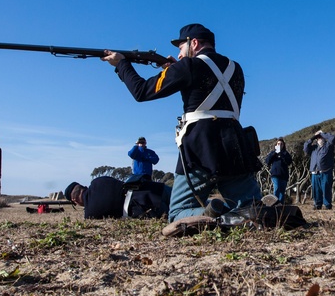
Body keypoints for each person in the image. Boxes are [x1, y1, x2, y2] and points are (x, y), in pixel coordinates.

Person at [102, 23, 263, 223]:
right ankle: (250, 212)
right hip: (235, 146)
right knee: (252, 205)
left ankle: (213, 214)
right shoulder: (235, 68)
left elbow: (141, 91)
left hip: (200, 148)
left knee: (177, 214)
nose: (178, 55)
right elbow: (206, 86)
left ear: (193, 43)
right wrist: (173, 70)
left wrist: (121, 65)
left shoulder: (187, 67)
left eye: (180, 48)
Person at [65, 177, 170, 219]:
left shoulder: (90, 214)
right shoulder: (98, 180)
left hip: (149, 207)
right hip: (154, 189)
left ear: (74, 200)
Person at [304, 130, 335, 210]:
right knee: (316, 190)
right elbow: (305, 147)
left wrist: (322, 134)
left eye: (321, 137)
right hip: (315, 172)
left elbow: (332, 138)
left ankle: (327, 205)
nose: (320, 138)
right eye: (318, 137)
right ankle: (317, 204)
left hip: (325, 172)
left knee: (326, 189)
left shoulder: (328, 146)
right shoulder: (313, 148)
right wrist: (313, 138)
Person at [264, 138, 293, 203]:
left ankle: (280, 206)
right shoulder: (272, 153)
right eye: (278, 144)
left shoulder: (286, 153)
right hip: (275, 174)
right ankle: (274, 203)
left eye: (281, 144)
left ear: (283, 145)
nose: (280, 145)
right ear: (276, 145)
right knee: (276, 188)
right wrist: (275, 152)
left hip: (284, 175)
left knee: (282, 191)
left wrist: (282, 155)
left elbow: (289, 162)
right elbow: (267, 161)